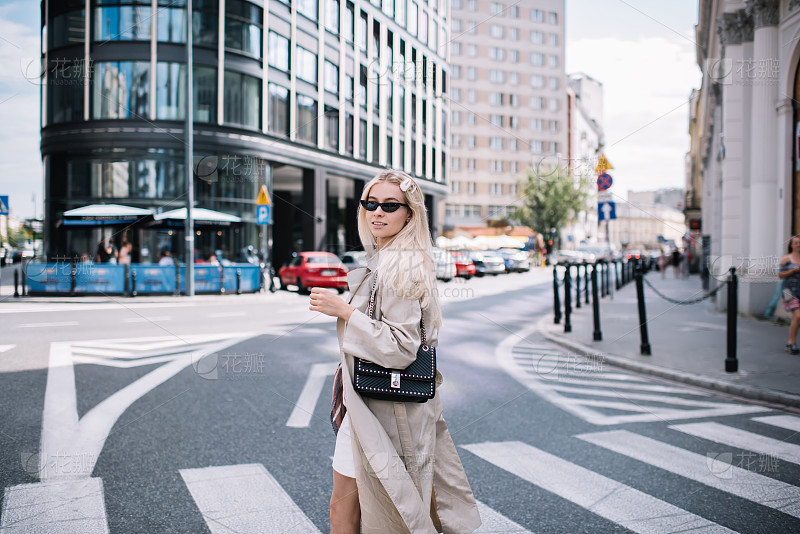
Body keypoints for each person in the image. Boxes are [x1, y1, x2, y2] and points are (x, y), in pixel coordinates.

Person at [309, 170, 481, 534]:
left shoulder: (402, 265)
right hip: (371, 405)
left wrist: (345, 311)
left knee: (363, 508)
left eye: (390, 205)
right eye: (370, 203)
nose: (377, 212)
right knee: (354, 503)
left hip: (385, 409)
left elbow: (401, 347)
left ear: (409, 214)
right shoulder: (387, 258)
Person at [778, 235, 800, 354]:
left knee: (796, 317)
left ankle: (791, 342)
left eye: (799, 243)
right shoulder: (786, 258)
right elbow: (780, 275)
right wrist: (793, 270)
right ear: (791, 245)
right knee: (798, 316)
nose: (798, 245)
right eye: (796, 243)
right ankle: (791, 342)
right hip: (788, 291)